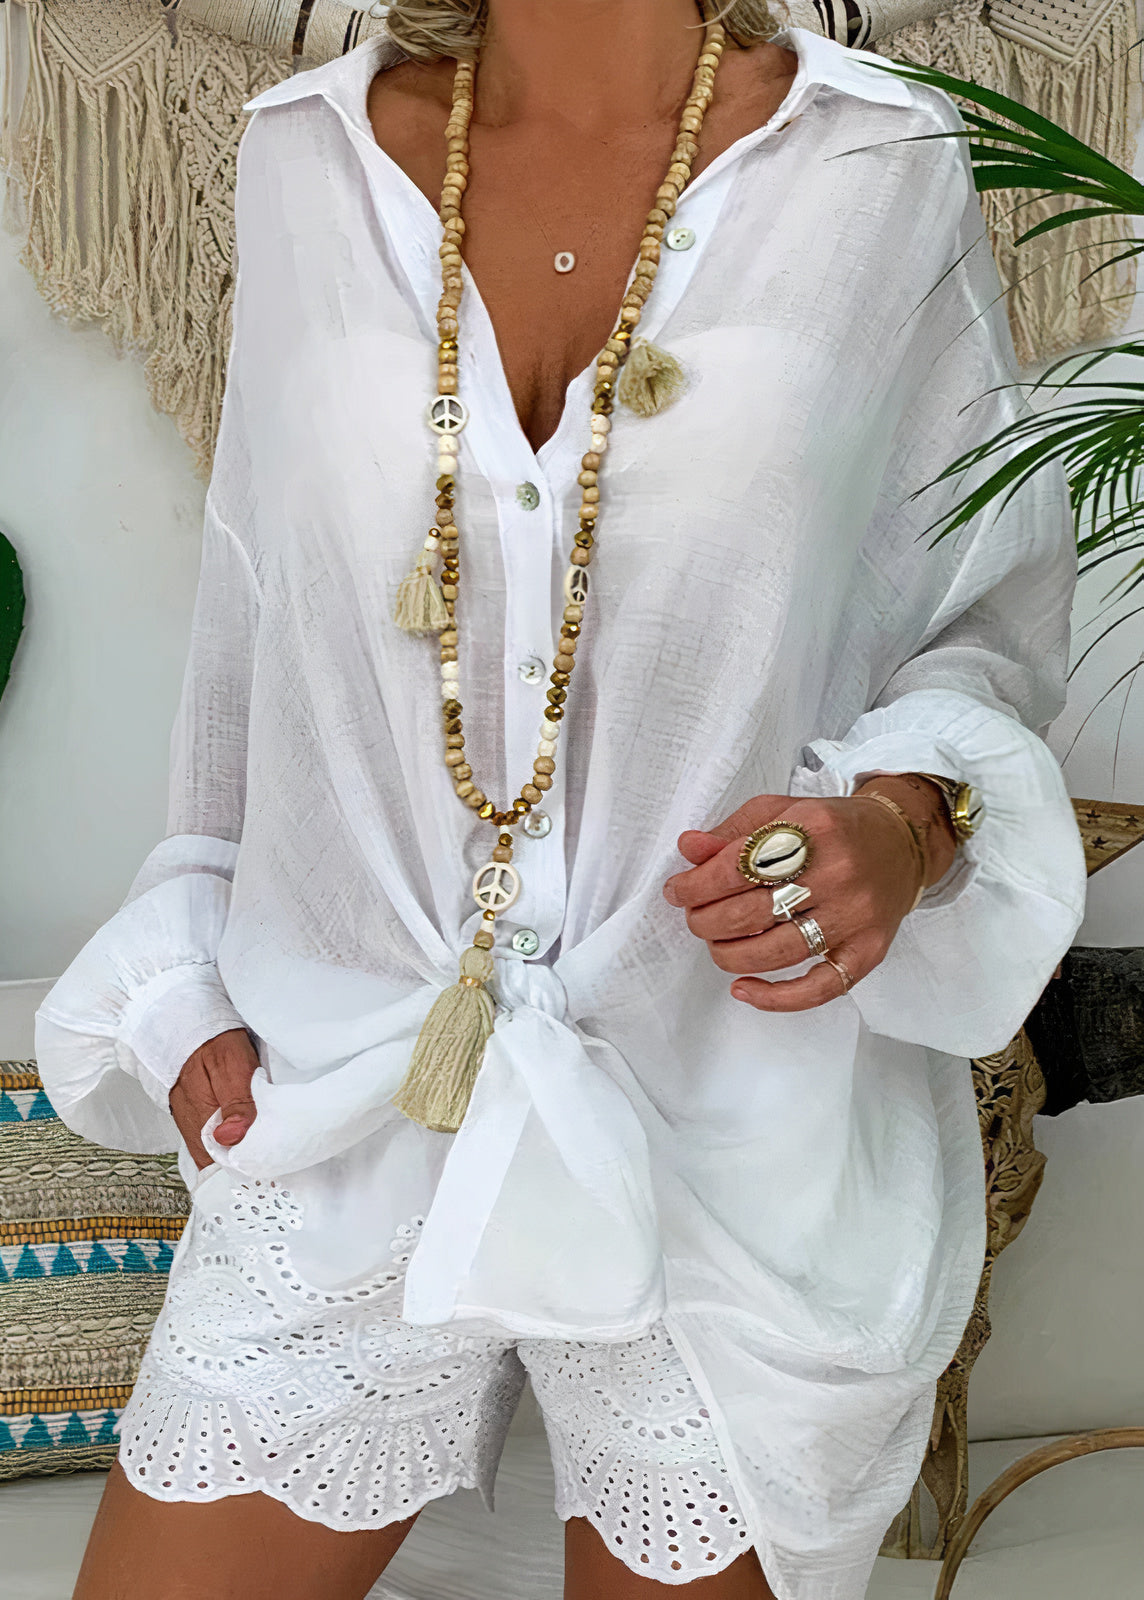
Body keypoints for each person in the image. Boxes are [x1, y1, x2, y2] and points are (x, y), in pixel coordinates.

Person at [36, 2, 1085, 1597]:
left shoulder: (879, 161)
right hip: (345, 1110)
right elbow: (257, 633)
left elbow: (983, 609)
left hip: (728, 1129)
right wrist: (184, 986)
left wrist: (901, 824)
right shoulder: (305, 161)